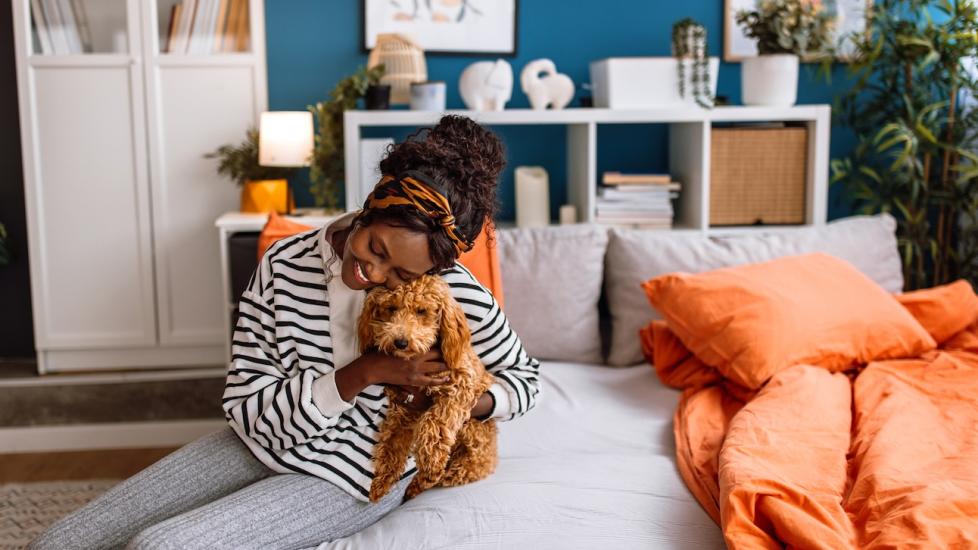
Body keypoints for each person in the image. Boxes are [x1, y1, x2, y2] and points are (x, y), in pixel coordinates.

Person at [28, 115, 541, 549]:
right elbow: (246, 399)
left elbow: (526, 378)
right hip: (259, 441)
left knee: (161, 545)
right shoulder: (283, 264)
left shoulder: (451, 289)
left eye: (404, 274)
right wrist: (361, 373)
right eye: (378, 250)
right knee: (65, 540)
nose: (377, 275)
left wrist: (461, 398)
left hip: (355, 472)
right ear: (374, 203)